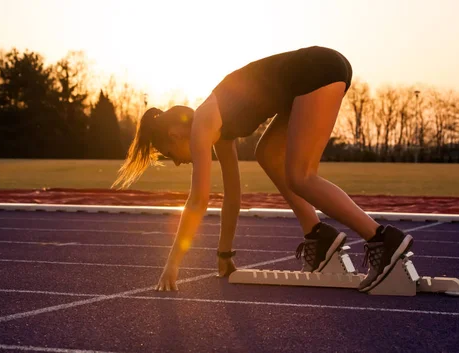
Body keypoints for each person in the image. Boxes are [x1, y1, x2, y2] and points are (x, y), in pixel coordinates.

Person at [111, 45, 413, 293]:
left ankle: (382, 239)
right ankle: (319, 237)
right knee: (267, 154)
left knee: (301, 175)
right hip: (311, 76)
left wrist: (172, 263)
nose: (177, 161)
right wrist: (224, 255)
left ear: (176, 135)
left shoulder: (202, 127)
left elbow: (198, 200)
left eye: (168, 154)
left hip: (317, 70)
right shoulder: (218, 128)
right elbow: (233, 198)